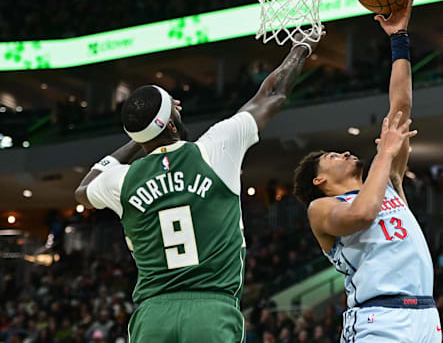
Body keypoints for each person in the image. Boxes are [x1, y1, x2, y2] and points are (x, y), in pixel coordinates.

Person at [74, 31, 322, 342]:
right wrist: (302, 47)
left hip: (152, 316)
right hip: (210, 310)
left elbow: (83, 189)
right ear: (172, 123)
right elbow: (272, 95)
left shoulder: (121, 180)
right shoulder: (214, 148)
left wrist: (139, 139)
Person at [292, 0, 441, 343]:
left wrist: (399, 39)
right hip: (379, 319)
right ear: (320, 180)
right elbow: (362, 214)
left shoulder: (386, 178)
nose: (344, 153)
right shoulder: (321, 209)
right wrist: (386, 155)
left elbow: (401, 106)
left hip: (425, 315)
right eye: (332, 157)